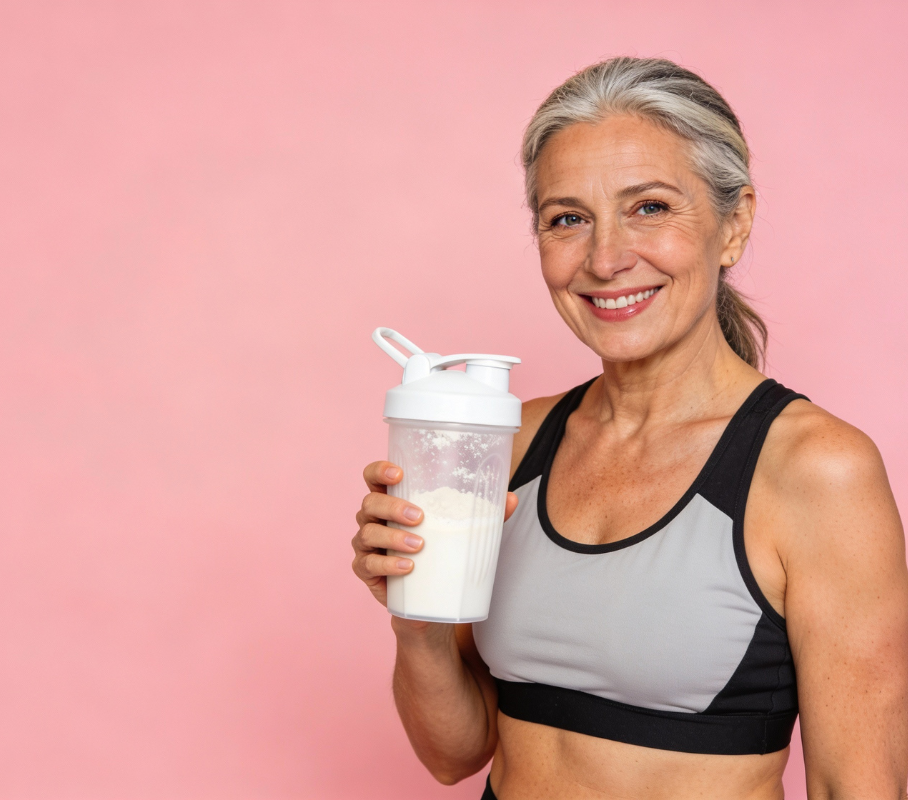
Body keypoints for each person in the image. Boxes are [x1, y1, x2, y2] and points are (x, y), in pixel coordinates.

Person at [351, 57, 908, 799]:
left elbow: (858, 784)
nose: (606, 259)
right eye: (567, 219)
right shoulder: (515, 442)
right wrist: (415, 615)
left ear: (733, 224)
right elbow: (454, 753)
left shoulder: (814, 470)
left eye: (648, 207)